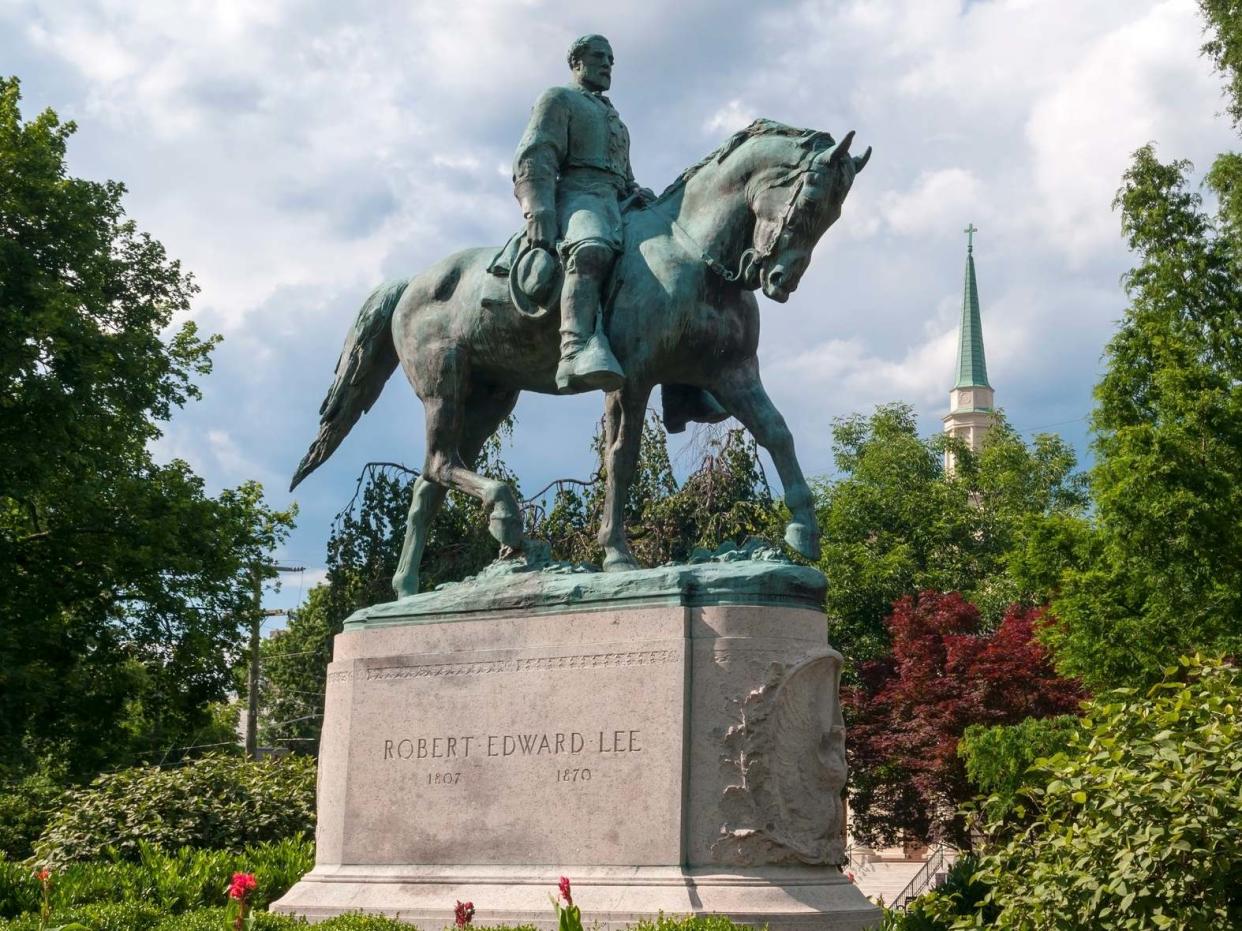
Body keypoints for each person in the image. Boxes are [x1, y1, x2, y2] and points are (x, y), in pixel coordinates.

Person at [512, 34, 652, 393]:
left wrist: (639, 193)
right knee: (591, 249)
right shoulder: (559, 99)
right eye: (599, 57)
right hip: (578, 196)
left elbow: (625, 174)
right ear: (576, 62)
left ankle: (684, 382)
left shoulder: (616, 120)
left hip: (616, 200)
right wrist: (539, 209)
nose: (607, 64)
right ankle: (573, 349)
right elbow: (535, 155)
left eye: (611, 59)